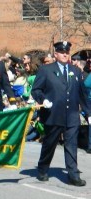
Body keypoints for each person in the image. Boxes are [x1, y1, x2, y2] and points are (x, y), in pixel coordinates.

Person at [31, 41, 91, 186]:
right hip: (53, 114)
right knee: (49, 144)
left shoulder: (75, 71)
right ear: (56, 54)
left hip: (71, 116)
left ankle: (73, 175)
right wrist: (43, 100)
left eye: (67, 52)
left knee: (71, 145)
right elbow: (36, 90)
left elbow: (81, 94)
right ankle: (43, 168)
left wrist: (88, 113)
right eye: (61, 52)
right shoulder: (46, 70)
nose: (65, 54)